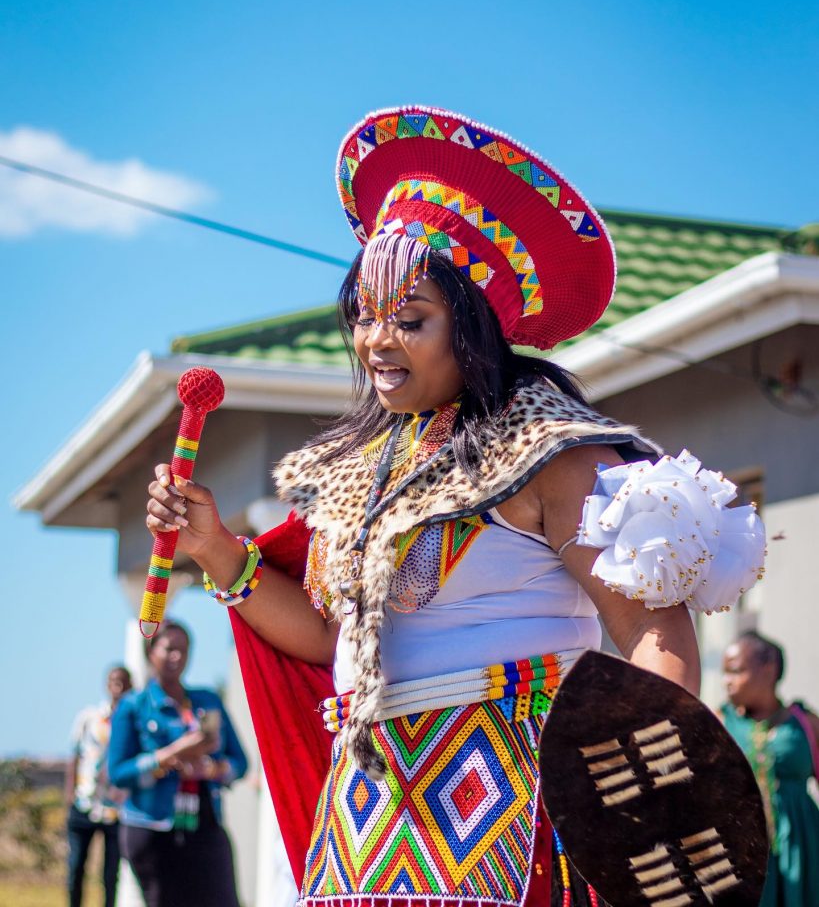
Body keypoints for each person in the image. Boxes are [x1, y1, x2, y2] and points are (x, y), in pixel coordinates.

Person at [145, 105, 767, 906]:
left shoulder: (552, 452)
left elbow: (649, 625)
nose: (375, 341)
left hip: (516, 790)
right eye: (363, 317)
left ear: (468, 325)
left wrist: (654, 788)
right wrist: (218, 552)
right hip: (368, 810)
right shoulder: (361, 474)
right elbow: (334, 640)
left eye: (408, 320)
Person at [107, 618, 248, 907]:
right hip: (153, 827)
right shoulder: (134, 706)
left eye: (184, 650)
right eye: (169, 649)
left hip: (204, 823)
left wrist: (211, 769)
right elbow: (118, 773)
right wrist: (171, 755)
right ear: (150, 653)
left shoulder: (206, 701)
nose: (177, 657)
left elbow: (240, 762)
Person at [722, 631, 819, 906]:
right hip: (741, 849)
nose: (725, 682)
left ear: (768, 669)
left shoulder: (806, 724)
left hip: (802, 848)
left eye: (735, 671)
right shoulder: (719, 723)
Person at [66, 664, 132, 907]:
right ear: (106, 684)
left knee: (110, 875)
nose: (118, 686)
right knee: (76, 868)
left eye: (123, 682)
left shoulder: (130, 721)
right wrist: (69, 795)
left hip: (114, 809)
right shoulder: (88, 718)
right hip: (84, 803)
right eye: (114, 681)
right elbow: (74, 756)